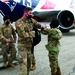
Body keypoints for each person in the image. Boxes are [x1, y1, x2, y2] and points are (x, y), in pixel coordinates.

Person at [15, 7, 46, 75]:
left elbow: (37, 24)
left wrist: (42, 26)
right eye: (30, 13)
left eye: (31, 13)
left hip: (30, 45)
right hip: (22, 46)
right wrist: (32, 33)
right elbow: (22, 34)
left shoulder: (31, 20)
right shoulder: (19, 22)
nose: (31, 15)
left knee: (29, 63)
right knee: (23, 64)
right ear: (25, 13)